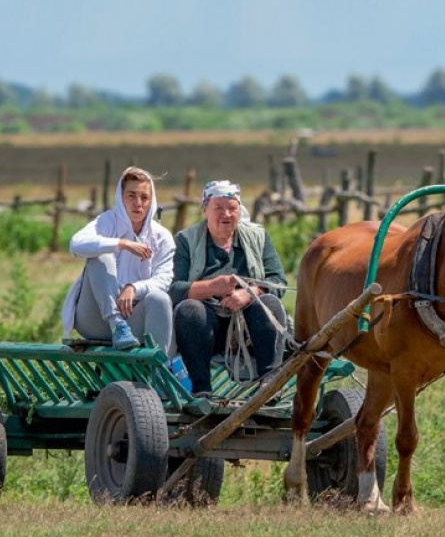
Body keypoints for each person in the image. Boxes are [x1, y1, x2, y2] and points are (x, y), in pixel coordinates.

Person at [170, 180, 288, 396]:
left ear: (239, 211)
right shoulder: (185, 241)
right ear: (205, 210)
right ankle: (201, 389)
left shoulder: (258, 237)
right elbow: (174, 289)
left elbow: (278, 281)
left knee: (270, 303)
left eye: (232, 208)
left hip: (249, 327)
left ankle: (269, 384)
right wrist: (212, 287)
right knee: (189, 310)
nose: (226, 214)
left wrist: (249, 293)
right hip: (206, 326)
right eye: (218, 208)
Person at [61, 166, 175, 351]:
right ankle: (116, 325)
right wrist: (122, 244)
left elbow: (164, 279)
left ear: (151, 201)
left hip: (133, 317)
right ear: (121, 197)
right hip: (94, 320)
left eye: (144, 197)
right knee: (101, 255)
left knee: (160, 298)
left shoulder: (161, 237)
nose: (138, 203)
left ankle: (159, 371)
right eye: (131, 195)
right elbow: (76, 244)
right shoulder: (107, 221)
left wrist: (134, 288)